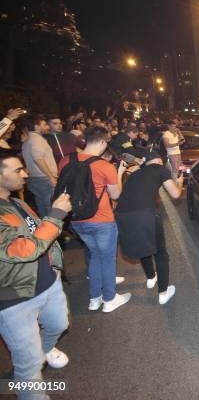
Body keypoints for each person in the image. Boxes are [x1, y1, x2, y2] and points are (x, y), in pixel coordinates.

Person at [0, 155, 73, 398]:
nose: (25, 174)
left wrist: (55, 269)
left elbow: (39, 232)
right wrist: (55, 216)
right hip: (14, 299)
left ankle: (46, 348)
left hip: (48, 283)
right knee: (29, 367)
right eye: (18, 169)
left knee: (59, 324)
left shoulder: (16, 203)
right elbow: (23, 249)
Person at [59, 126, 131, 312]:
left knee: (95, 257)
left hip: (76, 220)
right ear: (102, 142)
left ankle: (94, 298)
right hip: (101, 220)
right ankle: (109, 299)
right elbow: (115, 195)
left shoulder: (65, 161)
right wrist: (120, 173)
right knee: (107, 259)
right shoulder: (104, 166)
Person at [115, 149, 183, 305]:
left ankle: (151, 278)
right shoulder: (160, 168)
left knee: (143, 246)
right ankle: (163, 293)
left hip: (122, 214)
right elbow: (175, 194)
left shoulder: (134, 174)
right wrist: (180, 183)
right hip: (144, 213)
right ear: (159, 160)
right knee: (160, 253)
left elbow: (119, 196)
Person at [21, 116, 58, 218]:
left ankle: (45, 229)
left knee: (42, 206)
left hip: (35, 179)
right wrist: (51, 177)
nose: (47, 127)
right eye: (45, 125)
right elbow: (38, 159)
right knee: (50, 207)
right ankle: (53, 230)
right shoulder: (37, 139)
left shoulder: (28, 140)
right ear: (37, 126)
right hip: (43, 179)